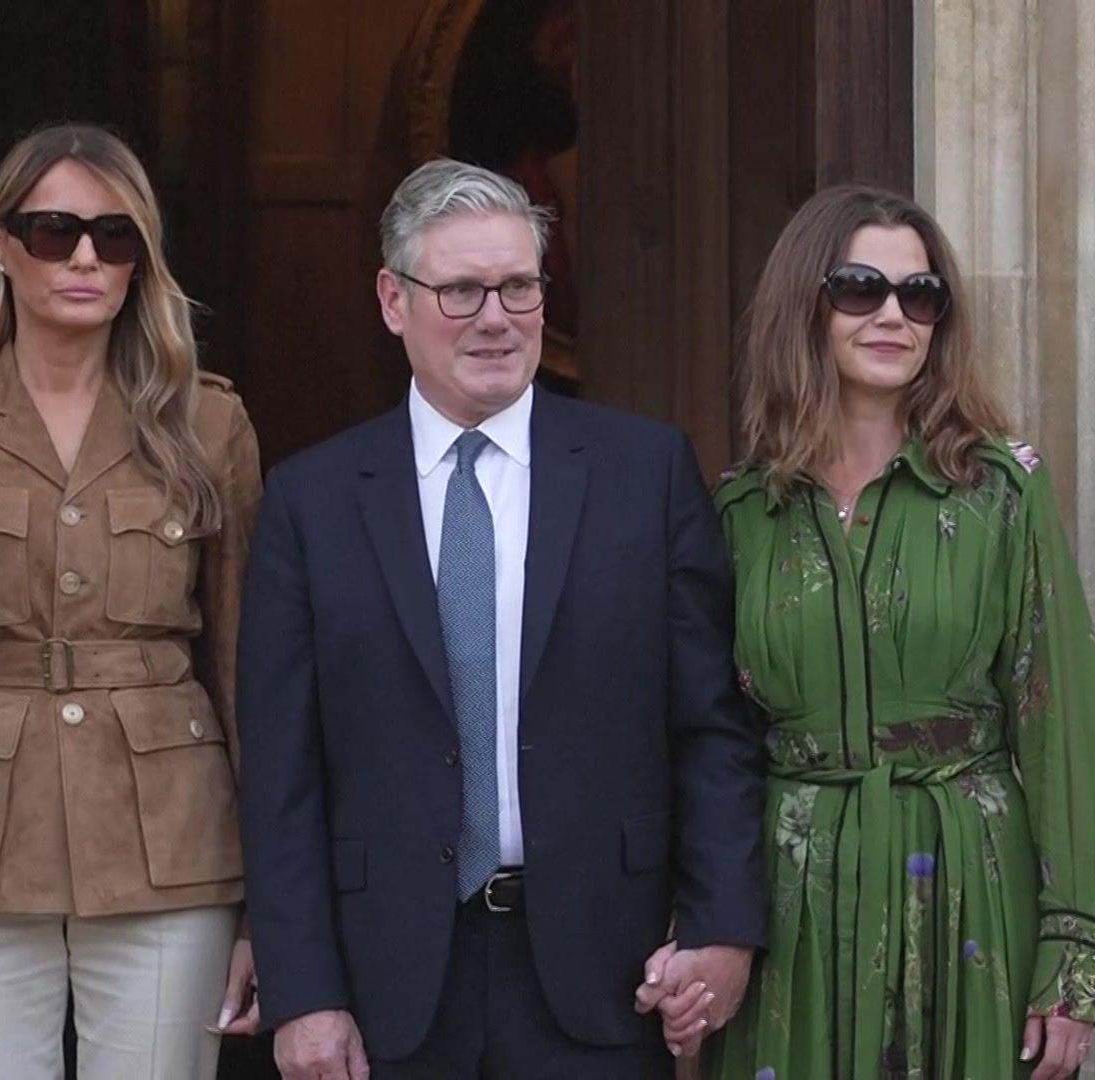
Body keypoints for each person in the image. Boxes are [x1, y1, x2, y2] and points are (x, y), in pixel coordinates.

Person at [235, 157, 767, 1079]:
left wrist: (721, 925)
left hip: (605, 972)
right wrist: (304, 993)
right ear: (393, 300)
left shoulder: (646, 474)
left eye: (519, 286)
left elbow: (713, 724)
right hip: (386, 985)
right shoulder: (310, 499)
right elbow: (281, 772)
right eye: (461, 290)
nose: (496, 316)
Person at [688, 183, 1095, 1080]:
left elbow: (1062, 724)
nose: (893, 315)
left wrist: (1075, 956)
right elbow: (707, 742)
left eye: (920, 296)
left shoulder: (1000, 493)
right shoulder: (741, 511)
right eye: (859, 288)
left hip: (968, 890)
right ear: (808, 304)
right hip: (792, 902)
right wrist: (700, 921)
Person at [0, 123, 263, 1080]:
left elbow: (248, 667)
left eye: (116, 234)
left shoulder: (207, 421)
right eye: (54, 231)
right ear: (2, 246)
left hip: (172, 845)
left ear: (142, 260)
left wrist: (272, 905)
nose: (87, 255)